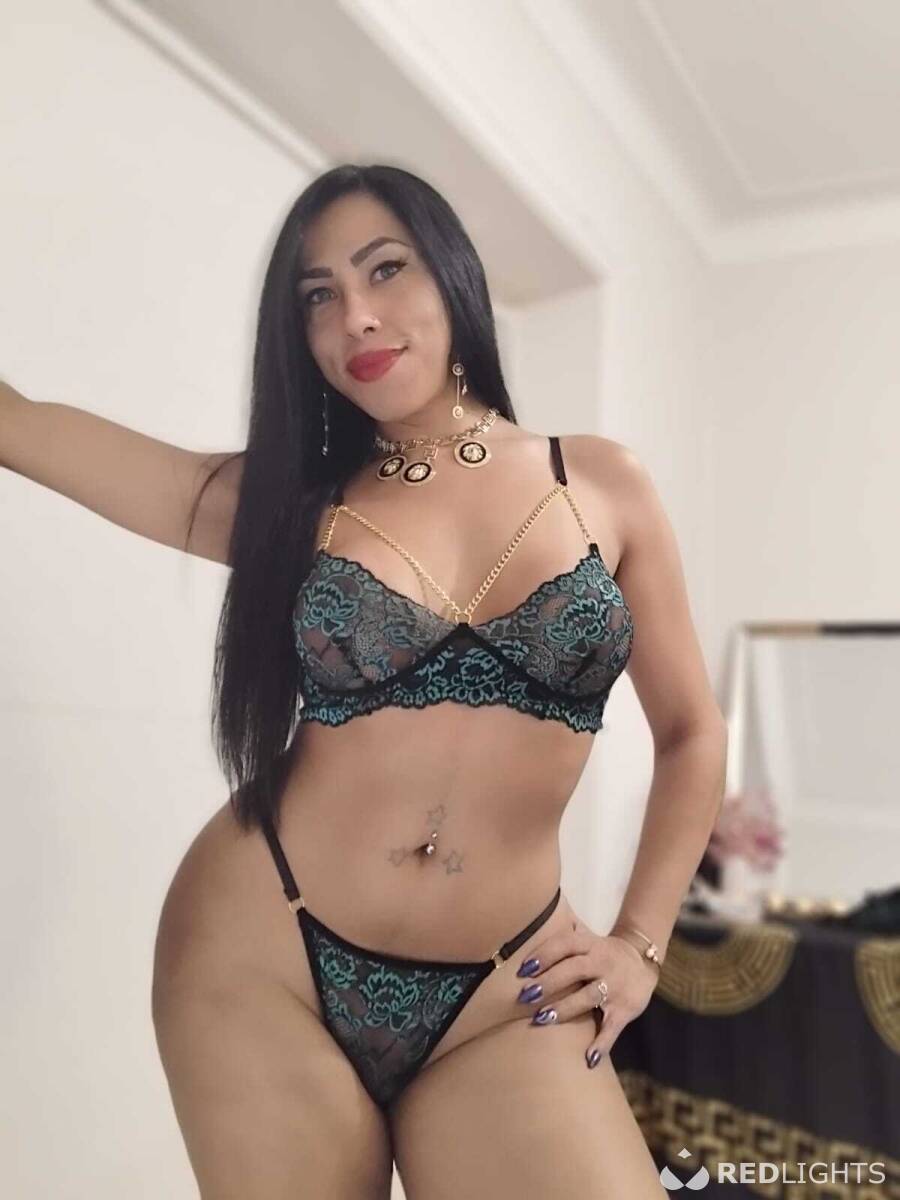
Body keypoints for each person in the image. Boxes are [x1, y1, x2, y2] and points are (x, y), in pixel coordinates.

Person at [2, 163, 728, 1199]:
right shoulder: (287, 506)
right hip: (265, 957)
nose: (356, 317)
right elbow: (21, 424)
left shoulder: (602, 484)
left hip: (504, 990)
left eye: (385, 270)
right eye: (318, 295)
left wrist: (641, 946)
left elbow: (693, 731)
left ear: (453, 276)